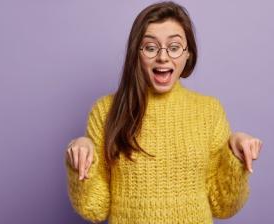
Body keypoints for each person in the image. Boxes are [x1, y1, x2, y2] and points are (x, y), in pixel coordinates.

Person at [65, 1, 263, 223]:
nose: (163, 57)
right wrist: (81, 158)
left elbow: (222, 205)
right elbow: (95, 208)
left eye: (174, 47)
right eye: (150, 47)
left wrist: (235, 155)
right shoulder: (106, 110)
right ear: (136, 54)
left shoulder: (209, 111)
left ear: (188, 53)